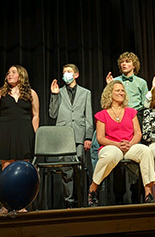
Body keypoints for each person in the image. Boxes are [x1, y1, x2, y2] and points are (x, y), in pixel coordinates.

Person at [88, 80, 155, 206]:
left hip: (130, 145)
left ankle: (148, 193)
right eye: (118, 90)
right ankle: (93, 189)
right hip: (111, 146)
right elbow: (100, 138)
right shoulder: (102, 114)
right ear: (110, 93)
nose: (121, 93)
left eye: (122, 90)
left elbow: (138, 134)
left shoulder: (131, 112)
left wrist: (129, 144)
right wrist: (117, 145)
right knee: (110, 156)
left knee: (146, 151)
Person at [0, 65, 40, 213]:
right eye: (8, 72)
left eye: (13, 72)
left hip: (24, 132)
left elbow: (36, 115)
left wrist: (35, 135)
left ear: (21, 75)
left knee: (23, 170)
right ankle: (6, 204)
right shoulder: (1, 93)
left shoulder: (31, 93)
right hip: (6, 132)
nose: (9, 74)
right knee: (7, 169)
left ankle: (21, 204)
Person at [49, 63, 93, 208]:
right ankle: (69, 202)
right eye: (64, 72)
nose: (65, 74)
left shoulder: (85, 93)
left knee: (78, 168)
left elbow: (88, 117)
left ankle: (80, 199)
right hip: (63, 136)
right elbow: (52, 114)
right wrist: (54, 95)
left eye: (69, 71)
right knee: (66, 170)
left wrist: (88, 137)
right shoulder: (59, 92)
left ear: (76, 74)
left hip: (79, 136)